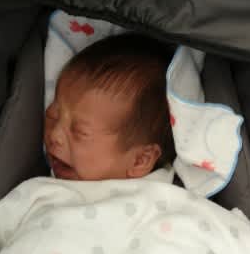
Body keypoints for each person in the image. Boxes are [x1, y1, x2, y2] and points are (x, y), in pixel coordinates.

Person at [44, 34, 176, 181]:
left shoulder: (161, 194)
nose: (55, 135)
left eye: (79, 133)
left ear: (139, 160)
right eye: (53, 116)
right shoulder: (41, 188)